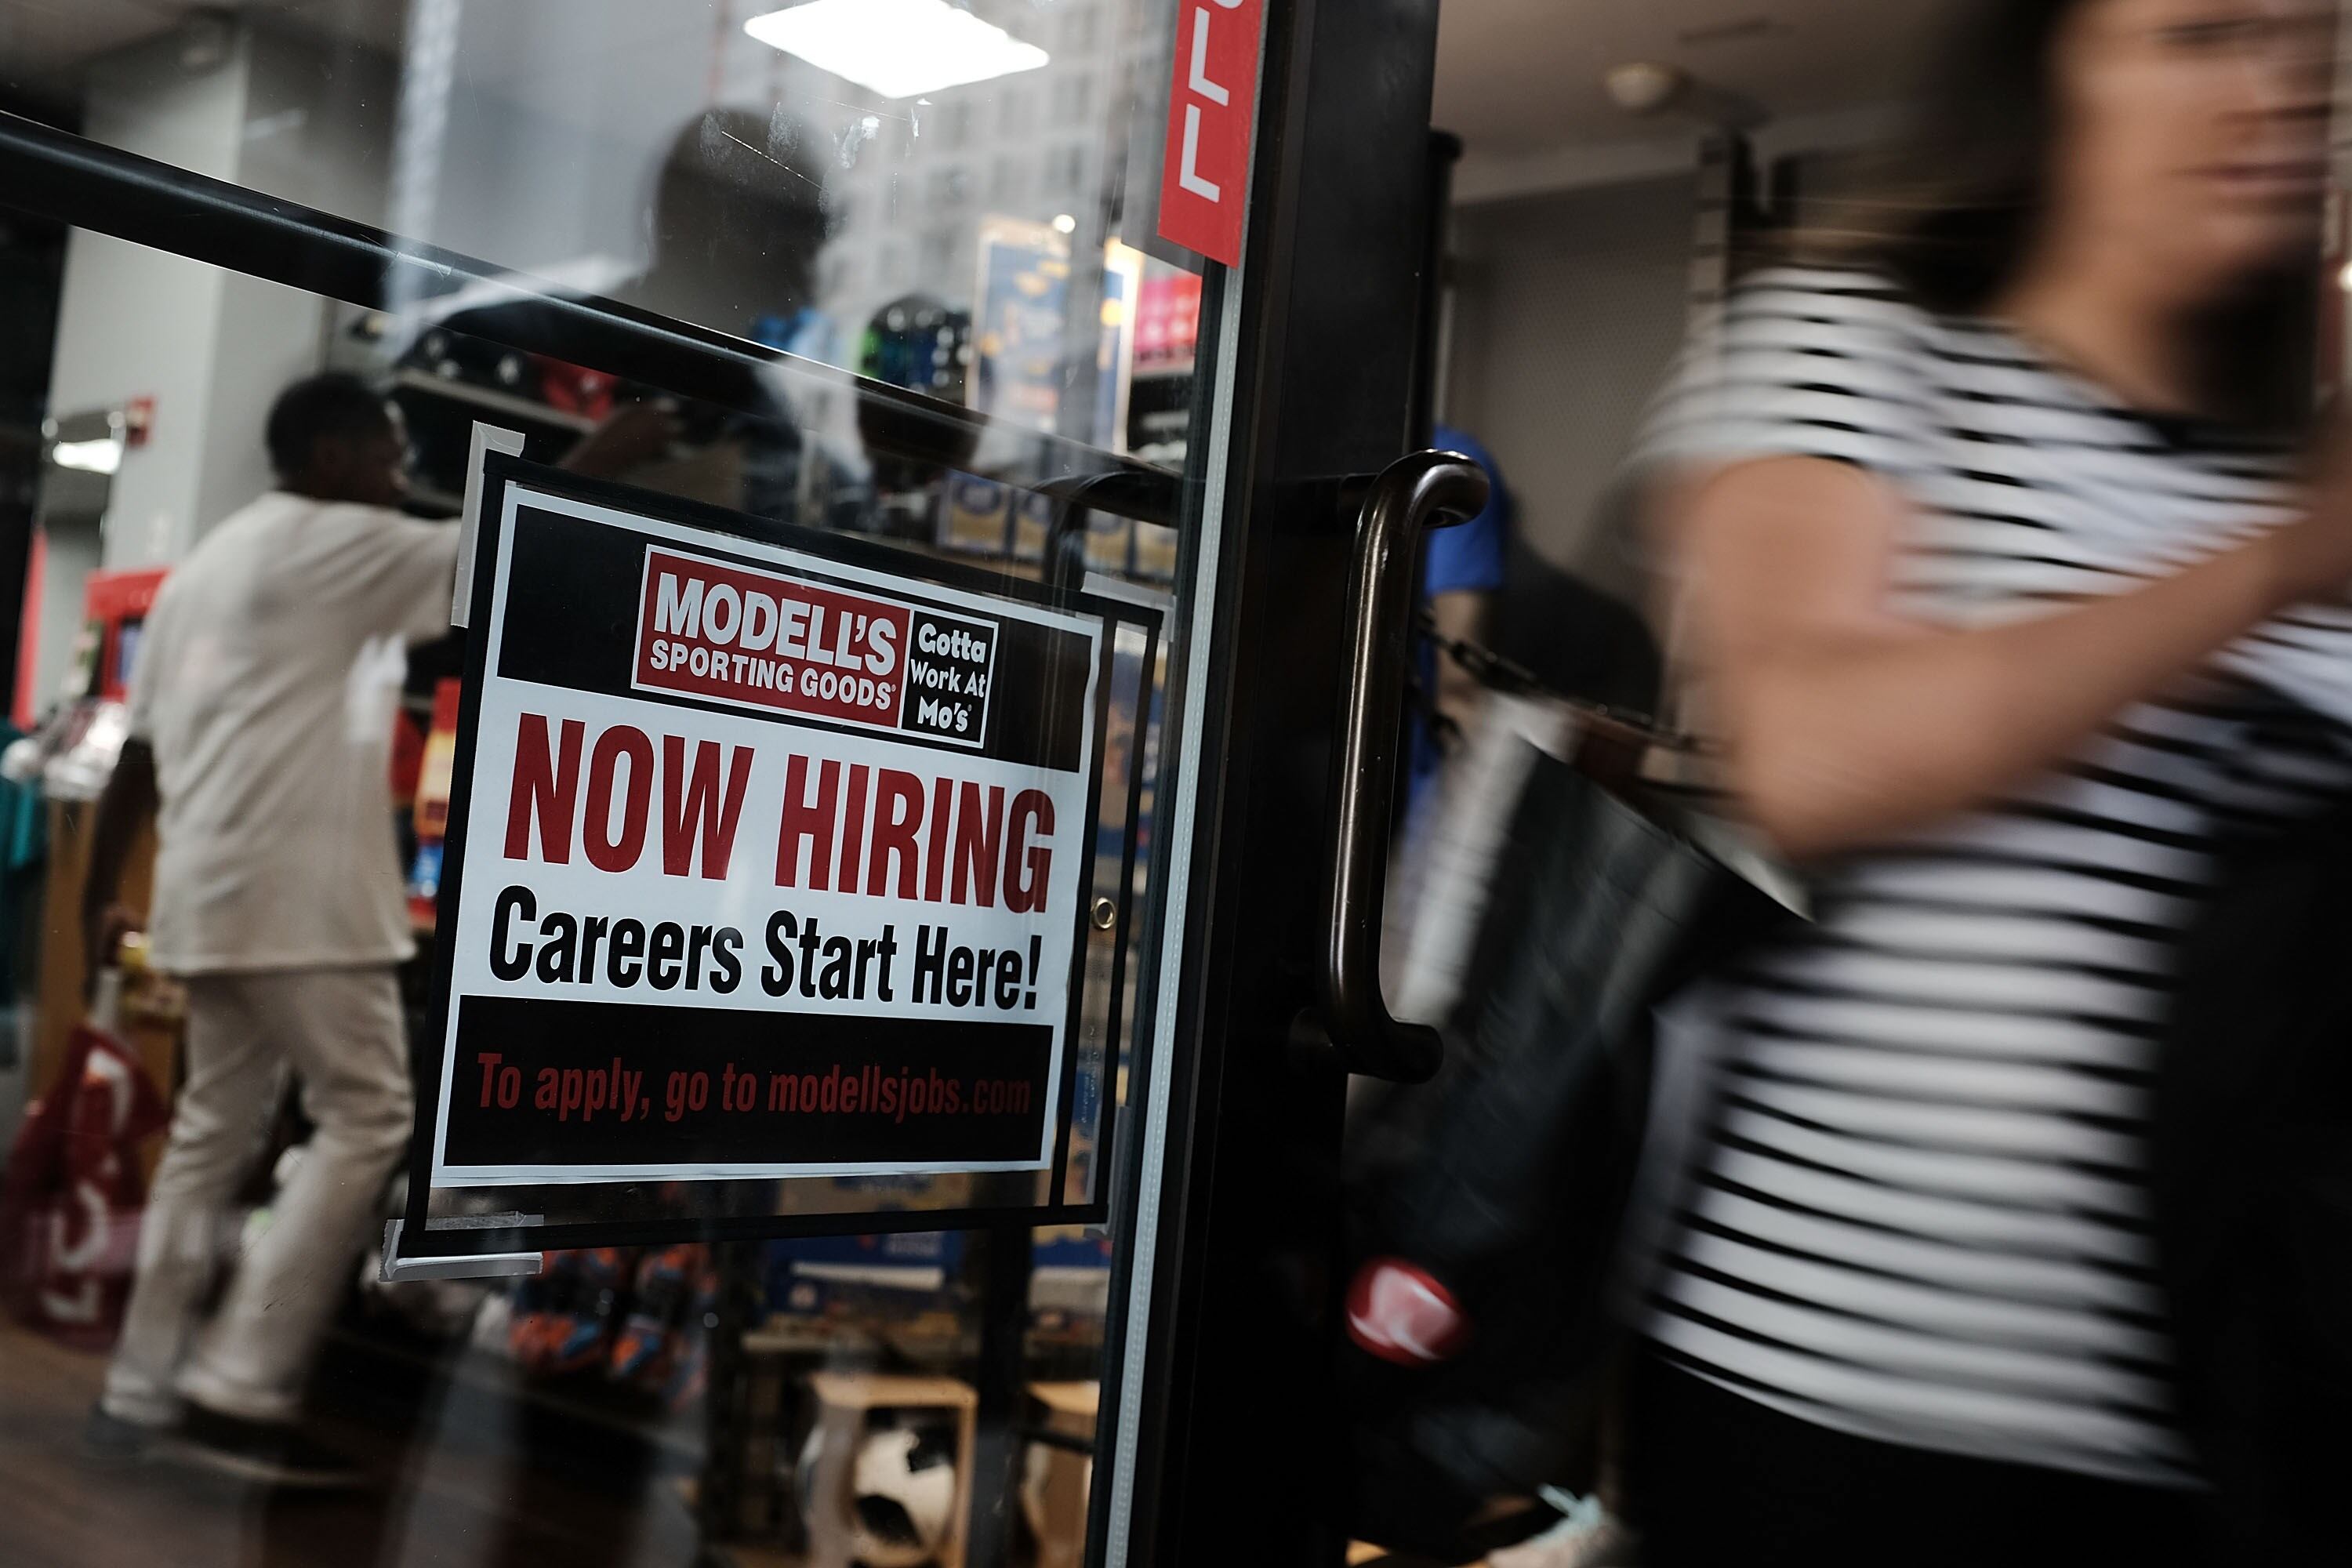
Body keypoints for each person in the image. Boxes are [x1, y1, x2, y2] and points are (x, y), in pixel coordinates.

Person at [1624, 2, 2350, 1564]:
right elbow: (1811, 752)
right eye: (2204, 35)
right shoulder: (1865, 351)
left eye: (2305, 45)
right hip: (1832, 1411)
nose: (2277, 92)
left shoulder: (2302, 474)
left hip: (2232, 1452)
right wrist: (2282, 565)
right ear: (2049, 70)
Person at [76, 373, 653, 1486]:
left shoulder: (207, 566)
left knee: (209, 1140)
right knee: (370, 1114)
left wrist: (105, 890)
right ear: (334, 457)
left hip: (206, 896)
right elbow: (500, 540)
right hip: (304, 907)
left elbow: (136, 758)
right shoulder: (334, 542)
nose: (399, 477)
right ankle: (239, 1386)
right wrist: (618, 447)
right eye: (390, 456)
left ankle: (138, 1386)